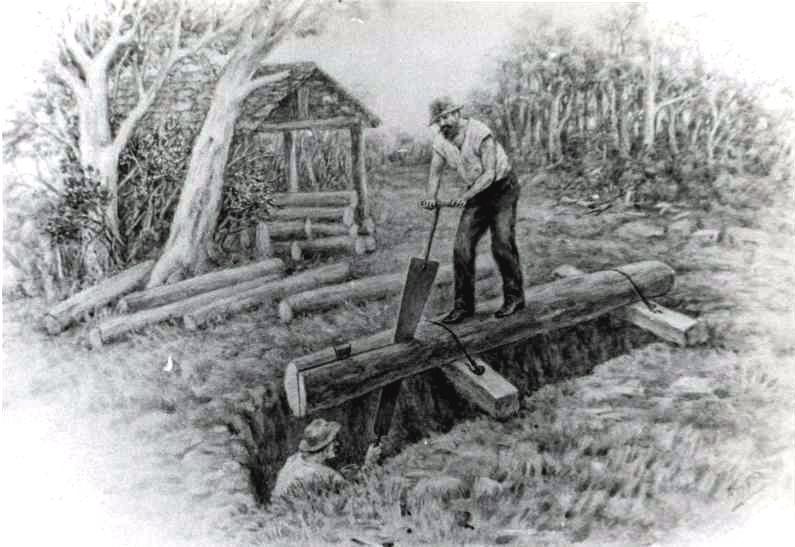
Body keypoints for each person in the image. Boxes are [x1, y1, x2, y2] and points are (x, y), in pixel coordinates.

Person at [420, 96, 525, 324]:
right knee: (462, 248)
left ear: (457, 113)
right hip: (476, 194)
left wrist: (465, 196)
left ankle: (515, 297)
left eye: (447, 116)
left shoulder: (480, 132)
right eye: (439, 120)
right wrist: (430, 196)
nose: (444, 123)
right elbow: (435, 173)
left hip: (502, 188)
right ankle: (463, 306)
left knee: (502, 243)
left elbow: (489, 173)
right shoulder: (441, 141)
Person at [271, 418, 381, 499]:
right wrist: (369, 464)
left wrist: (341, 476)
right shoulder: (324, 474)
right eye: (333, 441)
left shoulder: (293, 459)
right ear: (324, 447)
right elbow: (358, 494)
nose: (337, 444)